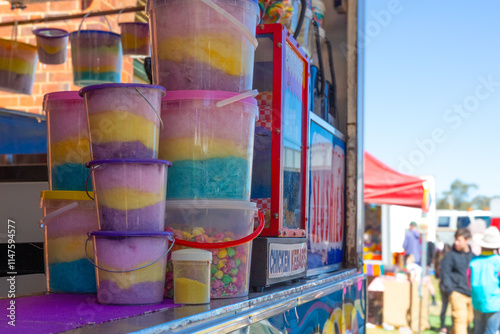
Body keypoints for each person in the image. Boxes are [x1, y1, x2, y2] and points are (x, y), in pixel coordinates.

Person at [440, 228, 473, 334]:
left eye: (459, 240)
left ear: (467, 240)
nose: (456, 243)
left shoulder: (473, 256)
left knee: (468, 319)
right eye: (455, 240)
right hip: (457, 292)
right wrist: (451, 291)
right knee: (460, 320)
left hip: (470, 294)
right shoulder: (450, 256)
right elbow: (445, 274)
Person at [468, 227, 500, 334]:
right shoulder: (497, 261)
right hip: (494, 302)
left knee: (478, 330)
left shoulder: (474, 261)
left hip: (477, 301)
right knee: (490, 330)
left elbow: (468, 280)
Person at [436, 243, 452, 334]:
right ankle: (444, 326)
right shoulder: (448, 260)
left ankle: (442, 326)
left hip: (443, 285)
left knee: (444, 306)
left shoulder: (441, 260)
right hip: (447, 286)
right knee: (450, 307)